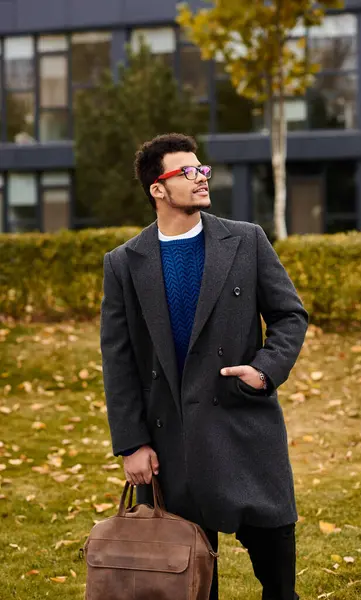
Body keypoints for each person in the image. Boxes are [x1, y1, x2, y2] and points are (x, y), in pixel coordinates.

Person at [100, 132, 309, 600]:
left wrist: (264, 371)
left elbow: (290, 315)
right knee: (186, 588)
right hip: (172, 445)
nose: (201, 179)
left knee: (279, 583)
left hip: (246, 429)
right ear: (158, 188)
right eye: (187, 172)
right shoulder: (124, 263)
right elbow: (119, 359)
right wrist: (132, 443)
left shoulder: (247, 240)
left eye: (203, 170)